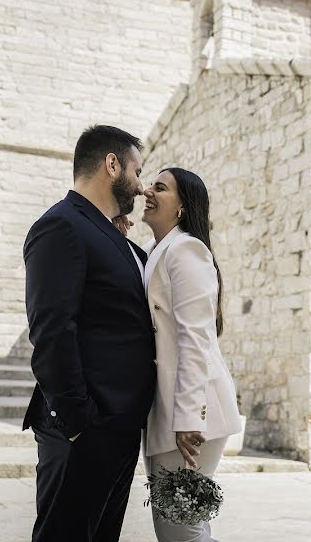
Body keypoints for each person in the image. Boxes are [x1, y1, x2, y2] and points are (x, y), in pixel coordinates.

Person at [21, 124, 155, 542]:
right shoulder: (61, 226)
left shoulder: (110, 234)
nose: (141, 184)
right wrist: (78, 421)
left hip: (117, 428)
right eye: (136, 170)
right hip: (84, 430)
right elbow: (52, 331)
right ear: (111, 165)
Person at [141, 167, 242, 542]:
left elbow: (195, 339)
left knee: (180, 531)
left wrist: (187, 418)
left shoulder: (186, 249)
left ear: (183, 207)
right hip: (168, 413)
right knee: (184, 527)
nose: (147, 190)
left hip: (193, 419)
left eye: (160, 187)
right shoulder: (156, 250)